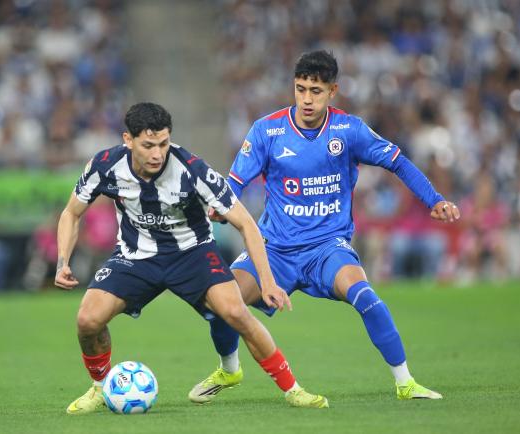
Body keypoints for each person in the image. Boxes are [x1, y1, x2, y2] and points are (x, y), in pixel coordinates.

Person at [190, 50, 460, 403]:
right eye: (300, 89)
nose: (306, 99)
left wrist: (434, 199)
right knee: (223, 304)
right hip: (275, 250)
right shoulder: (267, 130)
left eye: (315, 91)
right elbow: (236, 182)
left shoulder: (349, 130)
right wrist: (221, 207)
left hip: (327, 247)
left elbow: (398, 162)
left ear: (333, 91)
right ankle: (229, 368)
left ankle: (405, 382)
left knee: (366, 296)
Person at [55, 102, 328, 415]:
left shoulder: (192, 169)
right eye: (148, 146)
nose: (158, 154)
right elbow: (71, 212)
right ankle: (101, 388)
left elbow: (246, 223)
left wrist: (267, 282)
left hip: (193, 253)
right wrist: (63, 261)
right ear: (128, 140)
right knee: (87, 320)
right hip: (135, 256)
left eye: (163, 144)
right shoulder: (105, 165)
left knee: (237, 312)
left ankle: (293, 390)